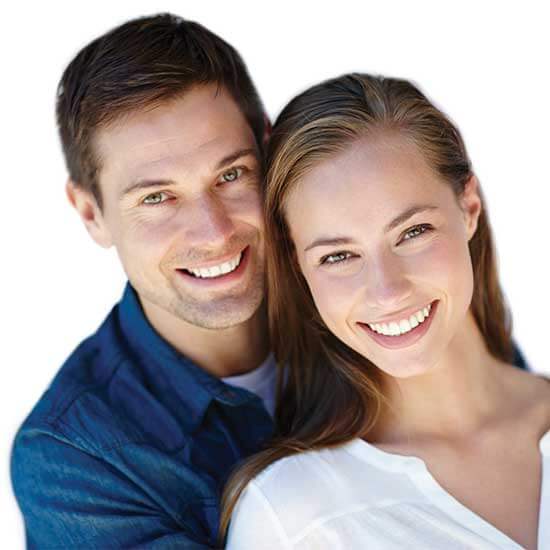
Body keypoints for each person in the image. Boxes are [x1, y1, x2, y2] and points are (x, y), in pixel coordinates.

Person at [222, 74, 549, 549]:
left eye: (412, 232)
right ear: (299, 268)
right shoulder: (293, 516)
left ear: (469, 207)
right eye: (337, 256)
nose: (387, 290)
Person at [10, 13, 275, 548]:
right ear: (91, 213)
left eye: (231, 174)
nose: (215, 232)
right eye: (157, 197)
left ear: (272, 154)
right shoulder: (73, 457)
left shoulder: (377, 308)